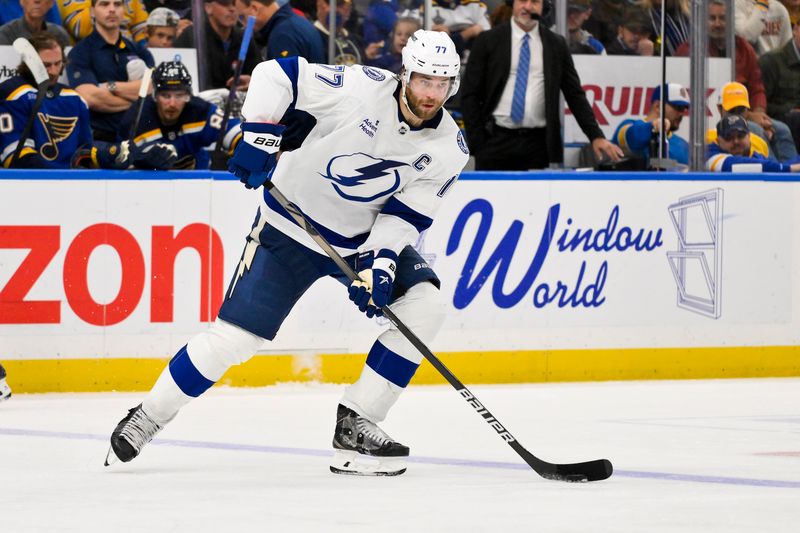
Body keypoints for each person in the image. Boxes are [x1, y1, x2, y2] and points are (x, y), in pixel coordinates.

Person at [105, 30, 469, 477]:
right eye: (423, 80)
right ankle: (148, 415)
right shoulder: (360, 88)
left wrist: (382, 263)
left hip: (359, 243)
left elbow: (403, 215)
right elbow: (275, 74)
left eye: (441, 83)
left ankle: (358, 424)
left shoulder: (448, 149)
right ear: (405, 74)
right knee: (235, 339)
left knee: (425, 306)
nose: (431, 93)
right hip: (288, 229)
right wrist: (258, 137)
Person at [460, 0, 622, 170]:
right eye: (522, 0)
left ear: (544, 7)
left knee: (533, 196)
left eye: (535, 2)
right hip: (494, 139)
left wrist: (596, 136)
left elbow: (575, 95)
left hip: (537, 145)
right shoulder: (488, 40)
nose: (528, 7)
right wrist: (477, 142)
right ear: (512, 3)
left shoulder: (556, 44)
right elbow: (470, 94)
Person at [0, 32, 174, 169]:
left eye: (57, 63)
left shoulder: (74, 99)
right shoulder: (11, 93)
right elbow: (14, 156)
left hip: (72, 186)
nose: (53, 71)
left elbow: (84, 152)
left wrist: (116, 155)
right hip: (27, 188)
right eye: (46, 65)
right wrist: (58, 177)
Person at [676, 0, 796, 162]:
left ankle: (794, 177)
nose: (718, 24)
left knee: (782, 130)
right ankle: (774, 175)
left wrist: (760, 113)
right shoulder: (689, 50)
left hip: (745, 112)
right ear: (704, 21)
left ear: (731, 20)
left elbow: (757, 88)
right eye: (712, 18)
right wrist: (751, 117)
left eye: (722, 18)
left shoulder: (744, 48)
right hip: (715, 116)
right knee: (754, 130)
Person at [119, 60, 243, 169]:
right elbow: (122, 161)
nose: (172, 103)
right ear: (155, 96)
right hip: (151, 186)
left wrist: (243, 145)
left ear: (188, 95)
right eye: (166, 96)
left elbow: (233, 130)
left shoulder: (199, 110)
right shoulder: (136, 118)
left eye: (179, 95)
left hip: (198, 181)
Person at [66, 0, 155, 142]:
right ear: (92, 12)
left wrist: (110, 86)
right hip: (100, 140)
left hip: (141, 137)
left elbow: (151, 88)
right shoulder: (80, 53)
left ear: (124, 10)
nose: (112, 9)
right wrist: (138, 101)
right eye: (104, 4)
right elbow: (91, 98)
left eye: (117, 4)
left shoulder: (140, 51)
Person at [173, 0, 263, 91]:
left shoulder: (244, 38)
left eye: (234, 4)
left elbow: (260, 74)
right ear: (208, 8)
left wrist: (252, 81)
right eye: (225, 4)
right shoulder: (191, 37)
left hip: (239, 102)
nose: (232, 9)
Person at [611, 82, 689, 167]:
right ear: (658, 106)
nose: (682, 113)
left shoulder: (683, 145)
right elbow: (633, 138)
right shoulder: (628, 126)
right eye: (678, 108)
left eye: (684, 109)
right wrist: (653, 126)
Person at [233, 0, 325, 64]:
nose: (244, 25)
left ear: (255, 9)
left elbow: (286, 86)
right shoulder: (297, 22)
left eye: (242, 17)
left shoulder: (282, 36)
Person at [707, 114, 800, 171]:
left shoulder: (756, 157)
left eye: (740, 136)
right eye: (728, 138)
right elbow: (734, 165)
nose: (736, 141)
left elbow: (782, 166)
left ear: (749, 136)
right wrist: (789, 169)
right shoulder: (709, 153)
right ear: (718, 140)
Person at [760, 20, 800, 150]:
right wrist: (789, 110)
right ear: (795, 29)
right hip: (779, 122)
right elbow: (760, 105)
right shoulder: (771, 62)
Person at [709, 81, 771, 159]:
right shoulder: (707, 139)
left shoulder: (760, 143)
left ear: (747, 110)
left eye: (740, 110)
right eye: (732, 110)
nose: (736, 115)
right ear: (719, 109)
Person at [57, 0, 149, 44]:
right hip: (92, 49)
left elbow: (143, 32)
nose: (112, 8)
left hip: (128, 51)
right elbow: (79, 29)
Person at [314, 0, 367, 65]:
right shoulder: (310, 37)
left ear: (349, 10)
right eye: (329, 4)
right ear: (319, 5)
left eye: (340, 5)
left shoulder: (356, 40)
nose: (334, 10)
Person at [0, 0, 70, 48]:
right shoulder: (6, 34)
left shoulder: (60, 35)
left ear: (51, 3)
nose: (37, 0)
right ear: (22, 1)